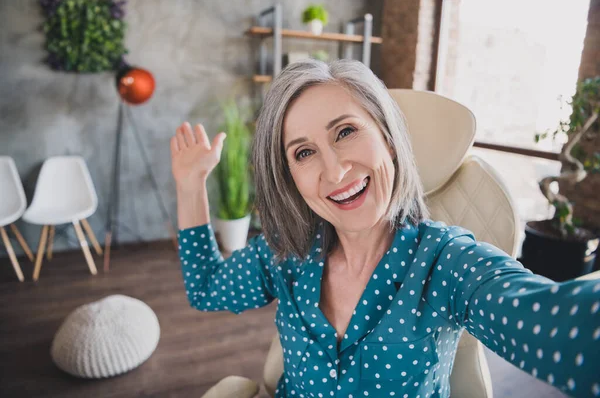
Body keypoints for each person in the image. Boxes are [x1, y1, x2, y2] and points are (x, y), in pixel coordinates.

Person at [170, 59, 600, 398]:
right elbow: (207, 289)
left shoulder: (446, 261)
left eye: (345, 131)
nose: (335, 171)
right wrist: (190, 185)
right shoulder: (287, 251)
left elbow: (557, 321)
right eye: (304, 153)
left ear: (388, 138)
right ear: (291, 176)